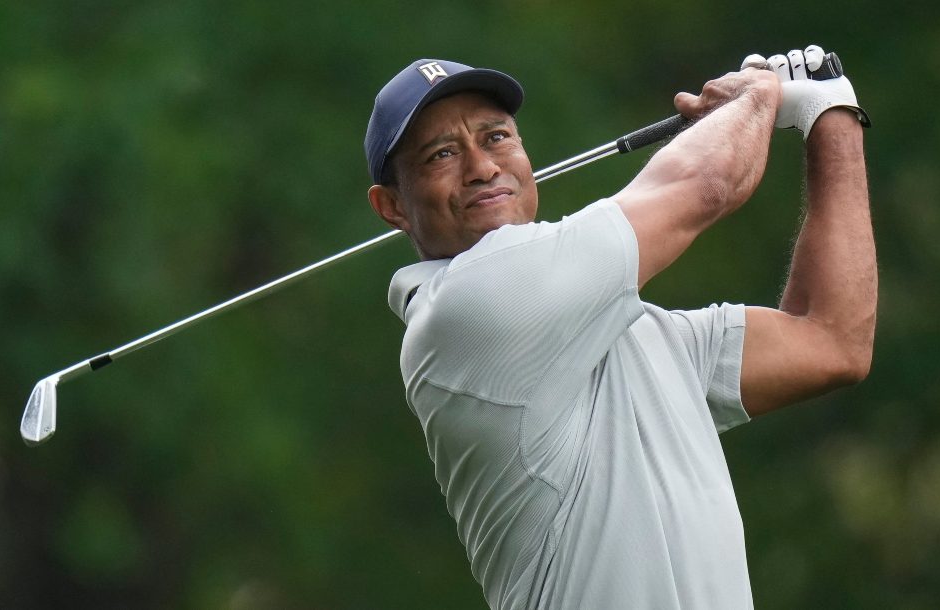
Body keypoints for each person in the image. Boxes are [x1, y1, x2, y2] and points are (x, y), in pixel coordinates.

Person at [364, 47, 876, 610]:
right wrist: (756, 94)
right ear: (392, 207)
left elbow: (832, 341)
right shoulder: (463, 310)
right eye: (441, 154)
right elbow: (709, 182)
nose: (482, 167)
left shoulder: (636, 332)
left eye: (496, 138)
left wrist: (832, 115)